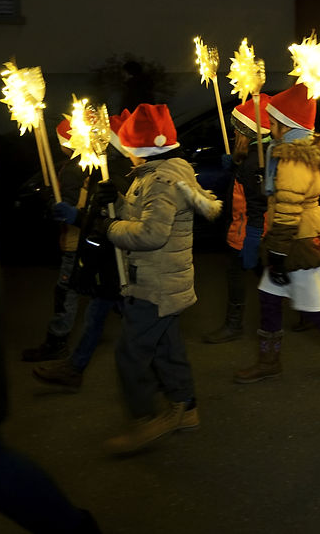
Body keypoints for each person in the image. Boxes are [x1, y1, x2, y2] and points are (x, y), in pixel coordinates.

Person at [0, 120, 101, 533]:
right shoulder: (75, 166)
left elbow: (85, 208)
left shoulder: (78, 168)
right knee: (86, 299)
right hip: (76, 242)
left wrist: (68, 211)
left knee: (77, 297)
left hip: (81, 244)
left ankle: (60, 347)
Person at [90, 103, 222, 455]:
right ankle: (186, 408)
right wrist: (118, 200)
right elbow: (144, 214)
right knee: (166, 349)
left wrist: (110, 227)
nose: (126, 153)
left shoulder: (162, 181)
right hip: (160, 279)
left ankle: (144, 420)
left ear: (141, 148)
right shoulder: (157, 173)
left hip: (156, 284)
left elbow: (152, 233)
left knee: (131, 354)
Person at [234, 84, 320, 383]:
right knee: (268, 298)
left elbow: (288, 208)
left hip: (298, 244)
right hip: (290, 240)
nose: (270, 128)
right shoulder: (296, 152)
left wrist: (277, 255)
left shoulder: (293, 158)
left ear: (286, 125)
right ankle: (269, 360)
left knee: (318, 312)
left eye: (273, 122)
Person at [34, 111, 134, 390]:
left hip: (118, 258)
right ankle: (74, 368)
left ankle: (165, 374)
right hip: (105, 257)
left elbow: (120, 220)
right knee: (99, 312)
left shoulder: (117, 173)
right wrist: (77, 216)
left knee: (136, 318)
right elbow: (95, 216)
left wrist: (80, 217)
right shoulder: (99, 169)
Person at [20, 119, 91, 362]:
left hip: (76, 240)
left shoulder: (73, 169)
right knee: (100, 290)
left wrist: (51, 200)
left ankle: (57, 341)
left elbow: (67, 207)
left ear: (65, 143)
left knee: (65, 291)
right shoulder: (89, 162)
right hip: (91, 238)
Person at [202, 95, 270, 344]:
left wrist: (253, 236)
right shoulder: (253, 157)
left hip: (246, 230)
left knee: (237, 275)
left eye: (237, 129)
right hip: (247, 227)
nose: (233, 133)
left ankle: (234, 325)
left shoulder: (254, 162)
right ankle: (305, 311)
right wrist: (234, 167)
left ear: (247, 132)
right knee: (269, 274)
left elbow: (257, 201)